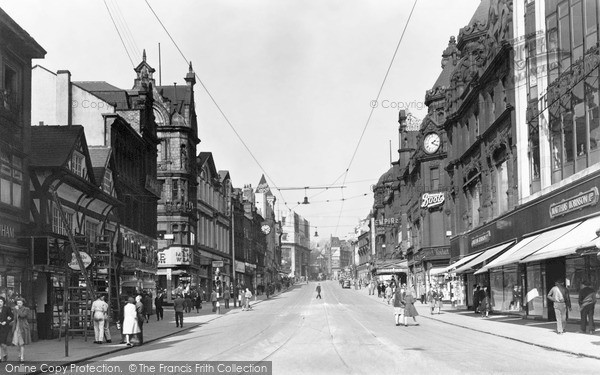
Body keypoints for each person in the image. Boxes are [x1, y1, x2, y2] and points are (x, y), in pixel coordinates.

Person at [0, 296, 14, 362]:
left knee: (3, 343)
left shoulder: (7, 309)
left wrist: (6, 322)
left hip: (4, 328)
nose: (0, 303)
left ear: (3, 302)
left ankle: (5, 354)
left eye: (1, 301)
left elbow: (11, 316)